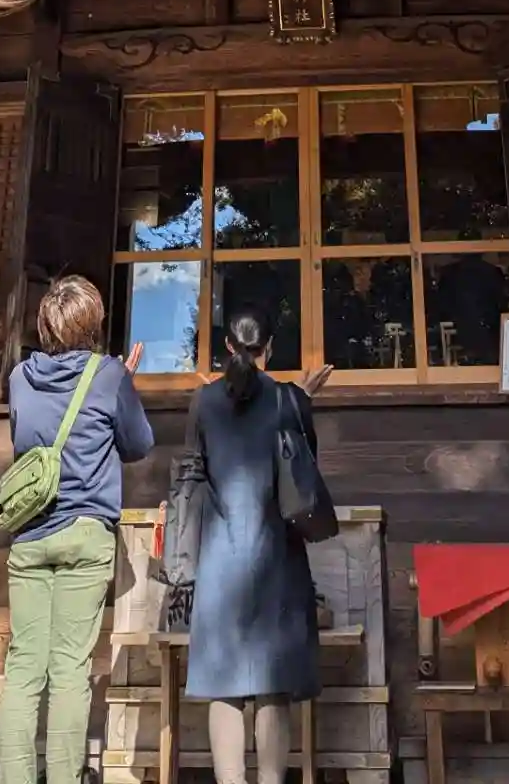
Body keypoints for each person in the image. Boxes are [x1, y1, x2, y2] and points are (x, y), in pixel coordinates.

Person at [0, 275, 153, 784]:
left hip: (30, 533)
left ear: (45, 326)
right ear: (93, 325)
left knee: (23, 668)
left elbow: (25, 438)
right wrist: (122, 384)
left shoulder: (20, 378)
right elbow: (138, 445)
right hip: (85, 531)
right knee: (69, 669)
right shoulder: (108, 376)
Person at [183, 306, 331, 784]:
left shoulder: (203, 402)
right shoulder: (290, 400)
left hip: (219, 556)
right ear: (270, 348)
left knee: (223, 685)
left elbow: (191, 473)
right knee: (273, 683)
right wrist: (300, 400)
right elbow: (304, 474)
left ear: (228, 346)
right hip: (277, 555)